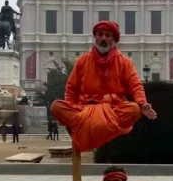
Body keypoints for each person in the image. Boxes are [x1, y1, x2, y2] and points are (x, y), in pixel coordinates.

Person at [50, 20, 157, 152]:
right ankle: (98, 132)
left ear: (114, 39)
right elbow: (71, 88)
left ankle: (87, 132)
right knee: (56, 105)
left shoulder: (124, 62)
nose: (103, 38)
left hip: (113, 108)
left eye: (108, 35)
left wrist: (142, 103)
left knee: (134, 109)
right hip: (85, 109)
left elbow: (135, 84)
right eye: (100, 34)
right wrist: (73, 107)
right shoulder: (83, 61)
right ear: (95, 37)